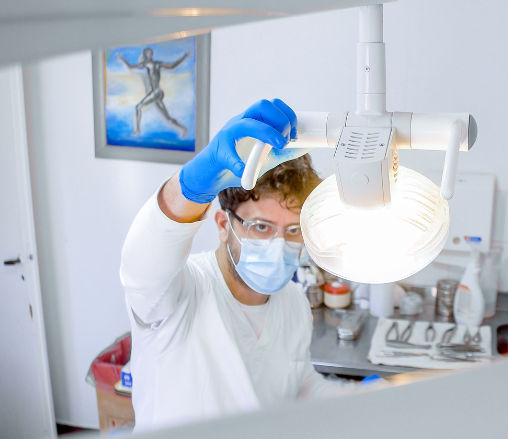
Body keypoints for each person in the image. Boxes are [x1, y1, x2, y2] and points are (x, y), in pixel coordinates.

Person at [120, 99, 354, 431]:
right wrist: (190, 186)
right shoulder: (180, 295)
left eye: (293, 230)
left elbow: (299, 386)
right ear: (222, 225)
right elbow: (143, 263)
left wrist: (366, 398)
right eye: (261, 227)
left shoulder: (293, 303)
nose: (279, 244)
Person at [119, 48, 189, 137]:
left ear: (146, 56)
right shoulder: (158, 63)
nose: (145, 56)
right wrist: (184, 57)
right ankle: (183, 128)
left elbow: (131, 67)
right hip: (159, 93)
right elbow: (172, 66)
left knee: (138, 107)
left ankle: (137, 130)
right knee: (167, 118)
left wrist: (122, 59)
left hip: (155, 92)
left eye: (146, 54)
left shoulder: (147, 64)